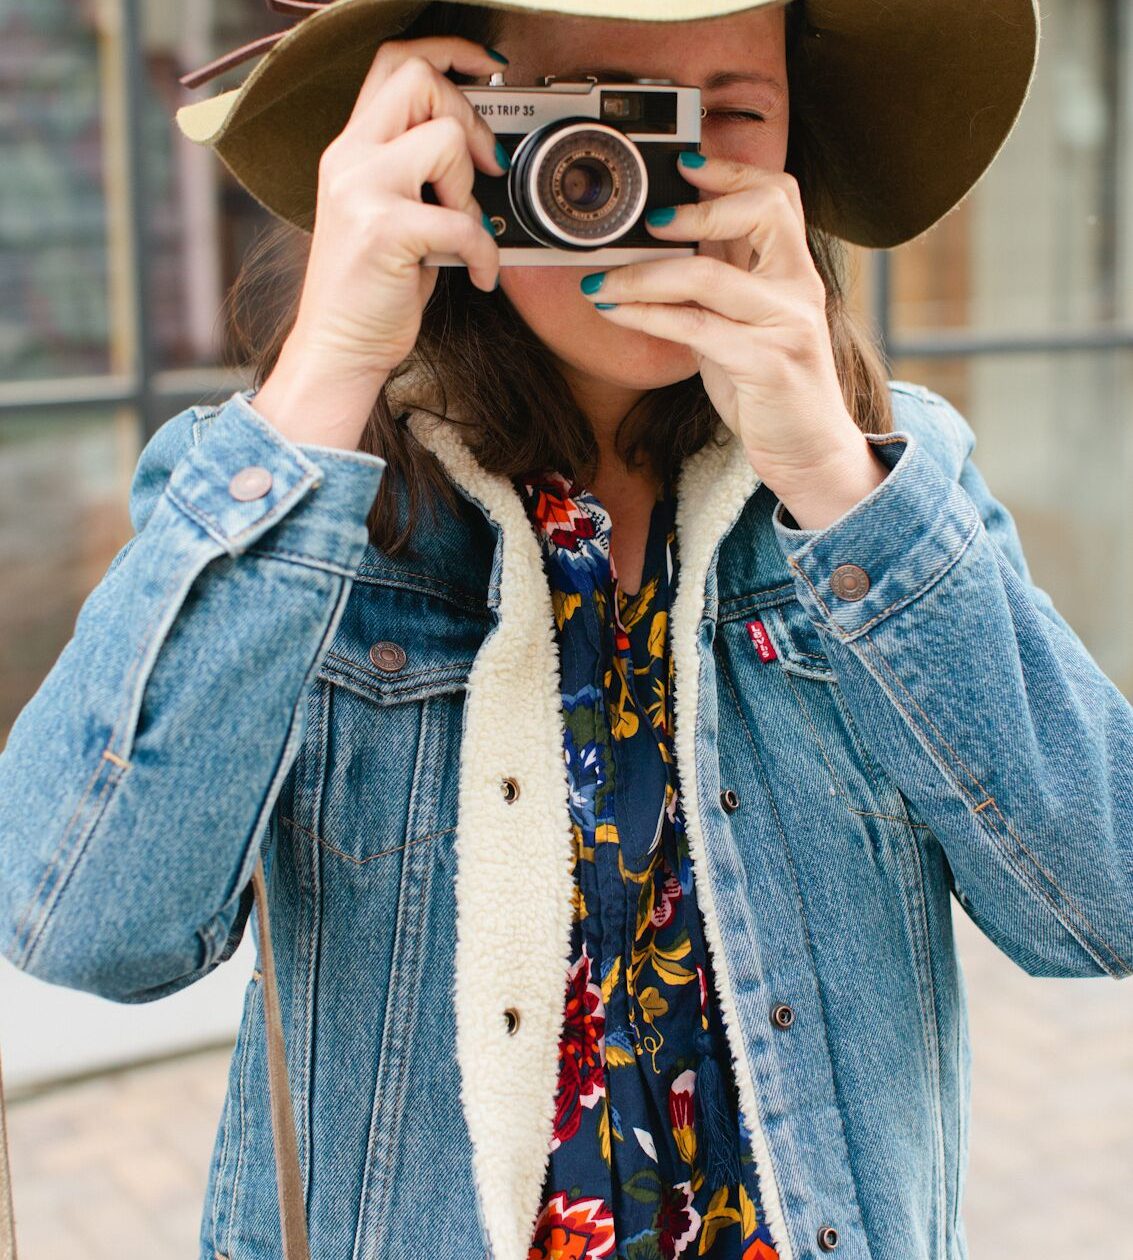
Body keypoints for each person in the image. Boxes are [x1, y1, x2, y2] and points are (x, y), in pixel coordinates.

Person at [2, 1, 1131, 1259]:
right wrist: (328, 364)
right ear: (454, 135)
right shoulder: (294, 499)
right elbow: (89, 926)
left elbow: (1102, 897)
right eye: (594, 117)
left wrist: (834, 478)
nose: (648, 181)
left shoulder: (883, 489)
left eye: (727, 114)